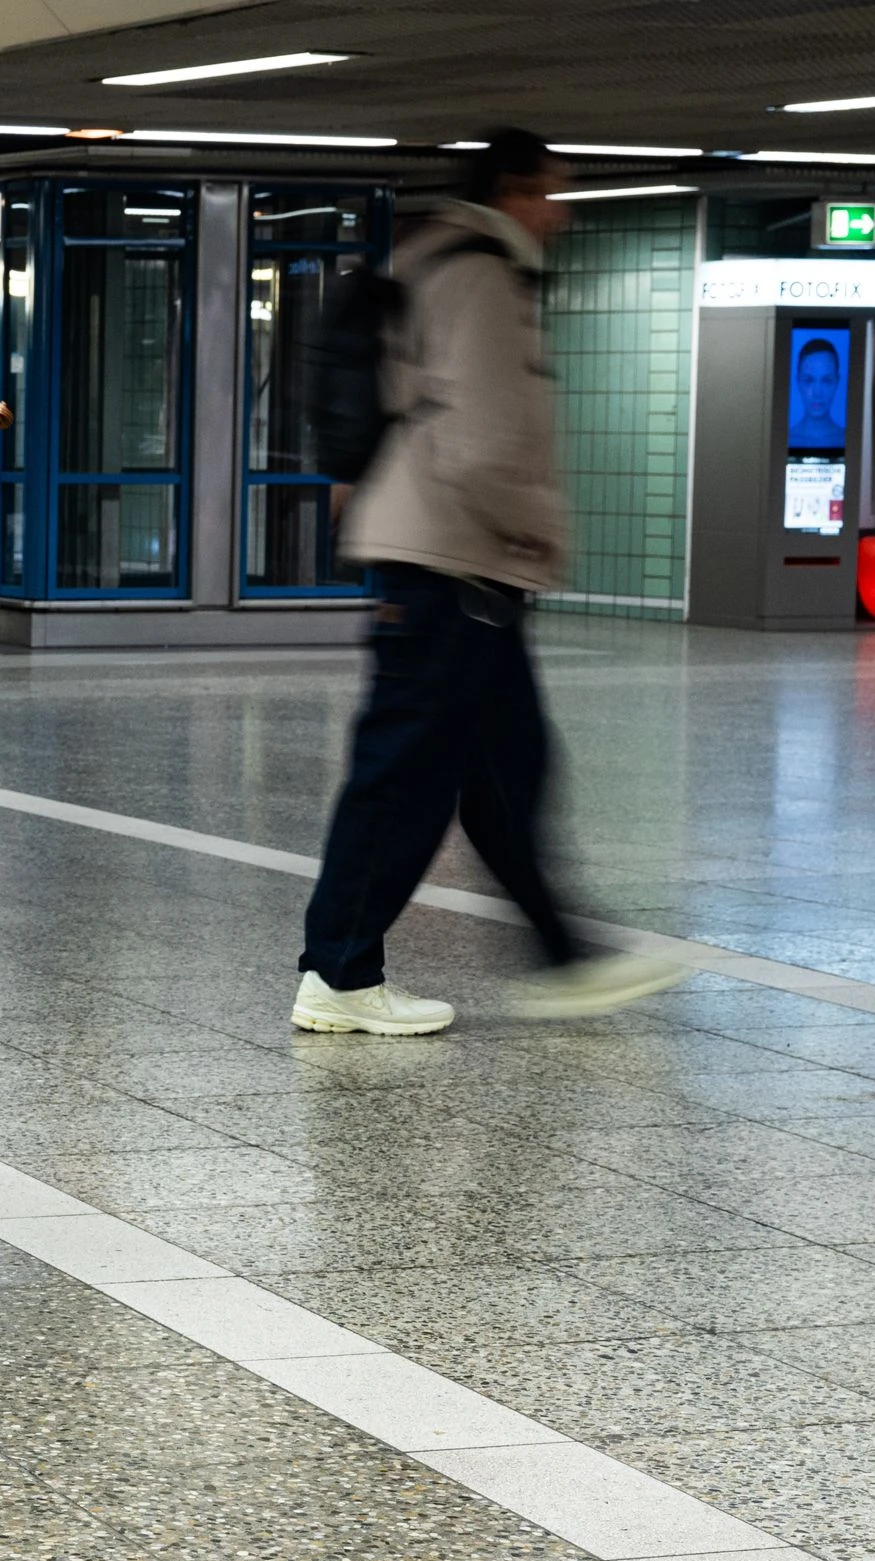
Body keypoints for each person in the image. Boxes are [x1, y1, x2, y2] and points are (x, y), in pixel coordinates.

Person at [295, 127, 687, 1035]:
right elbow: (485, 439)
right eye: (554, 191)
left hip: (452, 561)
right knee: (406, 778)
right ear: (513, 190)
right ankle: (340, 974)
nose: (564, 211)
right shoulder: (478, 274)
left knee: (507, 772)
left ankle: (563, 956)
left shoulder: (437, 260)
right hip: (453, 560)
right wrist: (538, 531)